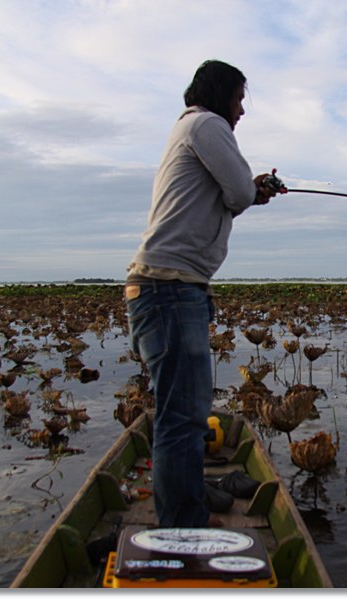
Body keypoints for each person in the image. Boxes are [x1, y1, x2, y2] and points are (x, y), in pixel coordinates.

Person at [125, 60, 282, 528]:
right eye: (238, 99)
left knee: (184, 417)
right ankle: (183, 532)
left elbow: (234, 193)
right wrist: (251, 190)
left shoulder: (192, 129)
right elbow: (236, 192)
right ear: (219, 96)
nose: (241, 111)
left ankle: (185, 509)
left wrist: (253, 191)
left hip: (170, 290)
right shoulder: (207, 124)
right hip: (169, 290)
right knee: (182, 422)